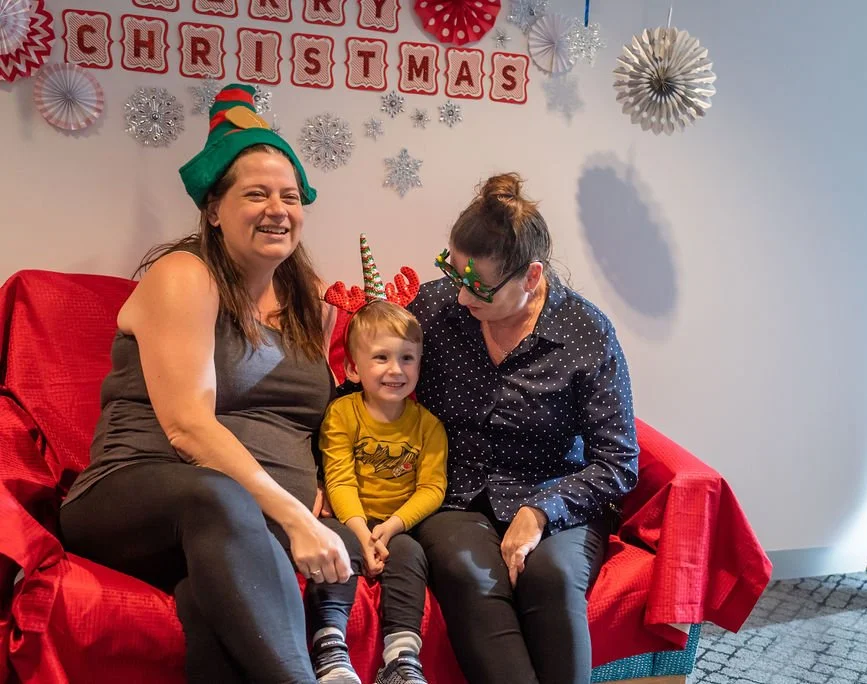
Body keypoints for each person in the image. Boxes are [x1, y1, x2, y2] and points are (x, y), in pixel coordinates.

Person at [59, 83, 364, 684]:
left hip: (239, 529)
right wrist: (296, 517)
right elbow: (188, 427)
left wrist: (327, 495)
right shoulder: (184, 275)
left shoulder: (308, 301)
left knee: (211, 605)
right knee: (216, 498)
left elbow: (318, 422)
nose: (279, 209)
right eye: (256, 194)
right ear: (215, 209)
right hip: (135, 495)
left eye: (290, 195)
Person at [407, 173, 640, 684]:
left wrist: (541, 511)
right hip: (456, 493)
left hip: (555, 489)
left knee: (552, 578)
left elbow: (619, 461)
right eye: (453, 271)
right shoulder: (434, 308)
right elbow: (376, 386)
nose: (462, 296)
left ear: (531, 276)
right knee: (471, 574)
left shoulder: (584, 331)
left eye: (479, 285)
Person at [313, 237, 447, 684]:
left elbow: (432, 488)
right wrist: (358, 529)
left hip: (398, 522)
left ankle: (402, 659)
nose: (396, 369)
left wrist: (392, 528)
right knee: (337, 548)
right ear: (353, 369)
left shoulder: (428, 426)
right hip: (348, 518)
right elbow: (339, 477)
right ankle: (330, 647)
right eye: (382, 358)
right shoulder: (342, 413)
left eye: (407, 358)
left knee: (410, 556)